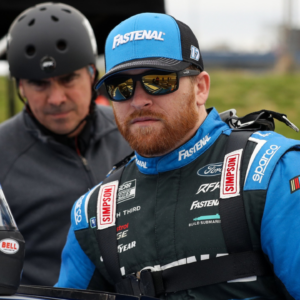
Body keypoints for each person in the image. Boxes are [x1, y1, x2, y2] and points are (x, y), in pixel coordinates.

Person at [56, 13, 300, 300]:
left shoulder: (272, 171)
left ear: (200, 88)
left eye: (159, 81)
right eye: (121, 87)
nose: (138, 99)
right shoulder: (93, 212)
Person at [0, 2, 131, 286]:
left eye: (68, 78)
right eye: (39, 83)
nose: (56, 97)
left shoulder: (133, 132)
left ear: (92, 74)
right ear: (20, 86)